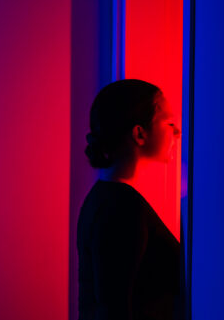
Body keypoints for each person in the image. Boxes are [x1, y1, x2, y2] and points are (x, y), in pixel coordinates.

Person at [77, 79, 182, 320]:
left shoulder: (105, 199)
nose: (177, 132)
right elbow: (115, 309)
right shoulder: (120, 207)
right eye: (170, 123)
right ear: (139, 133)